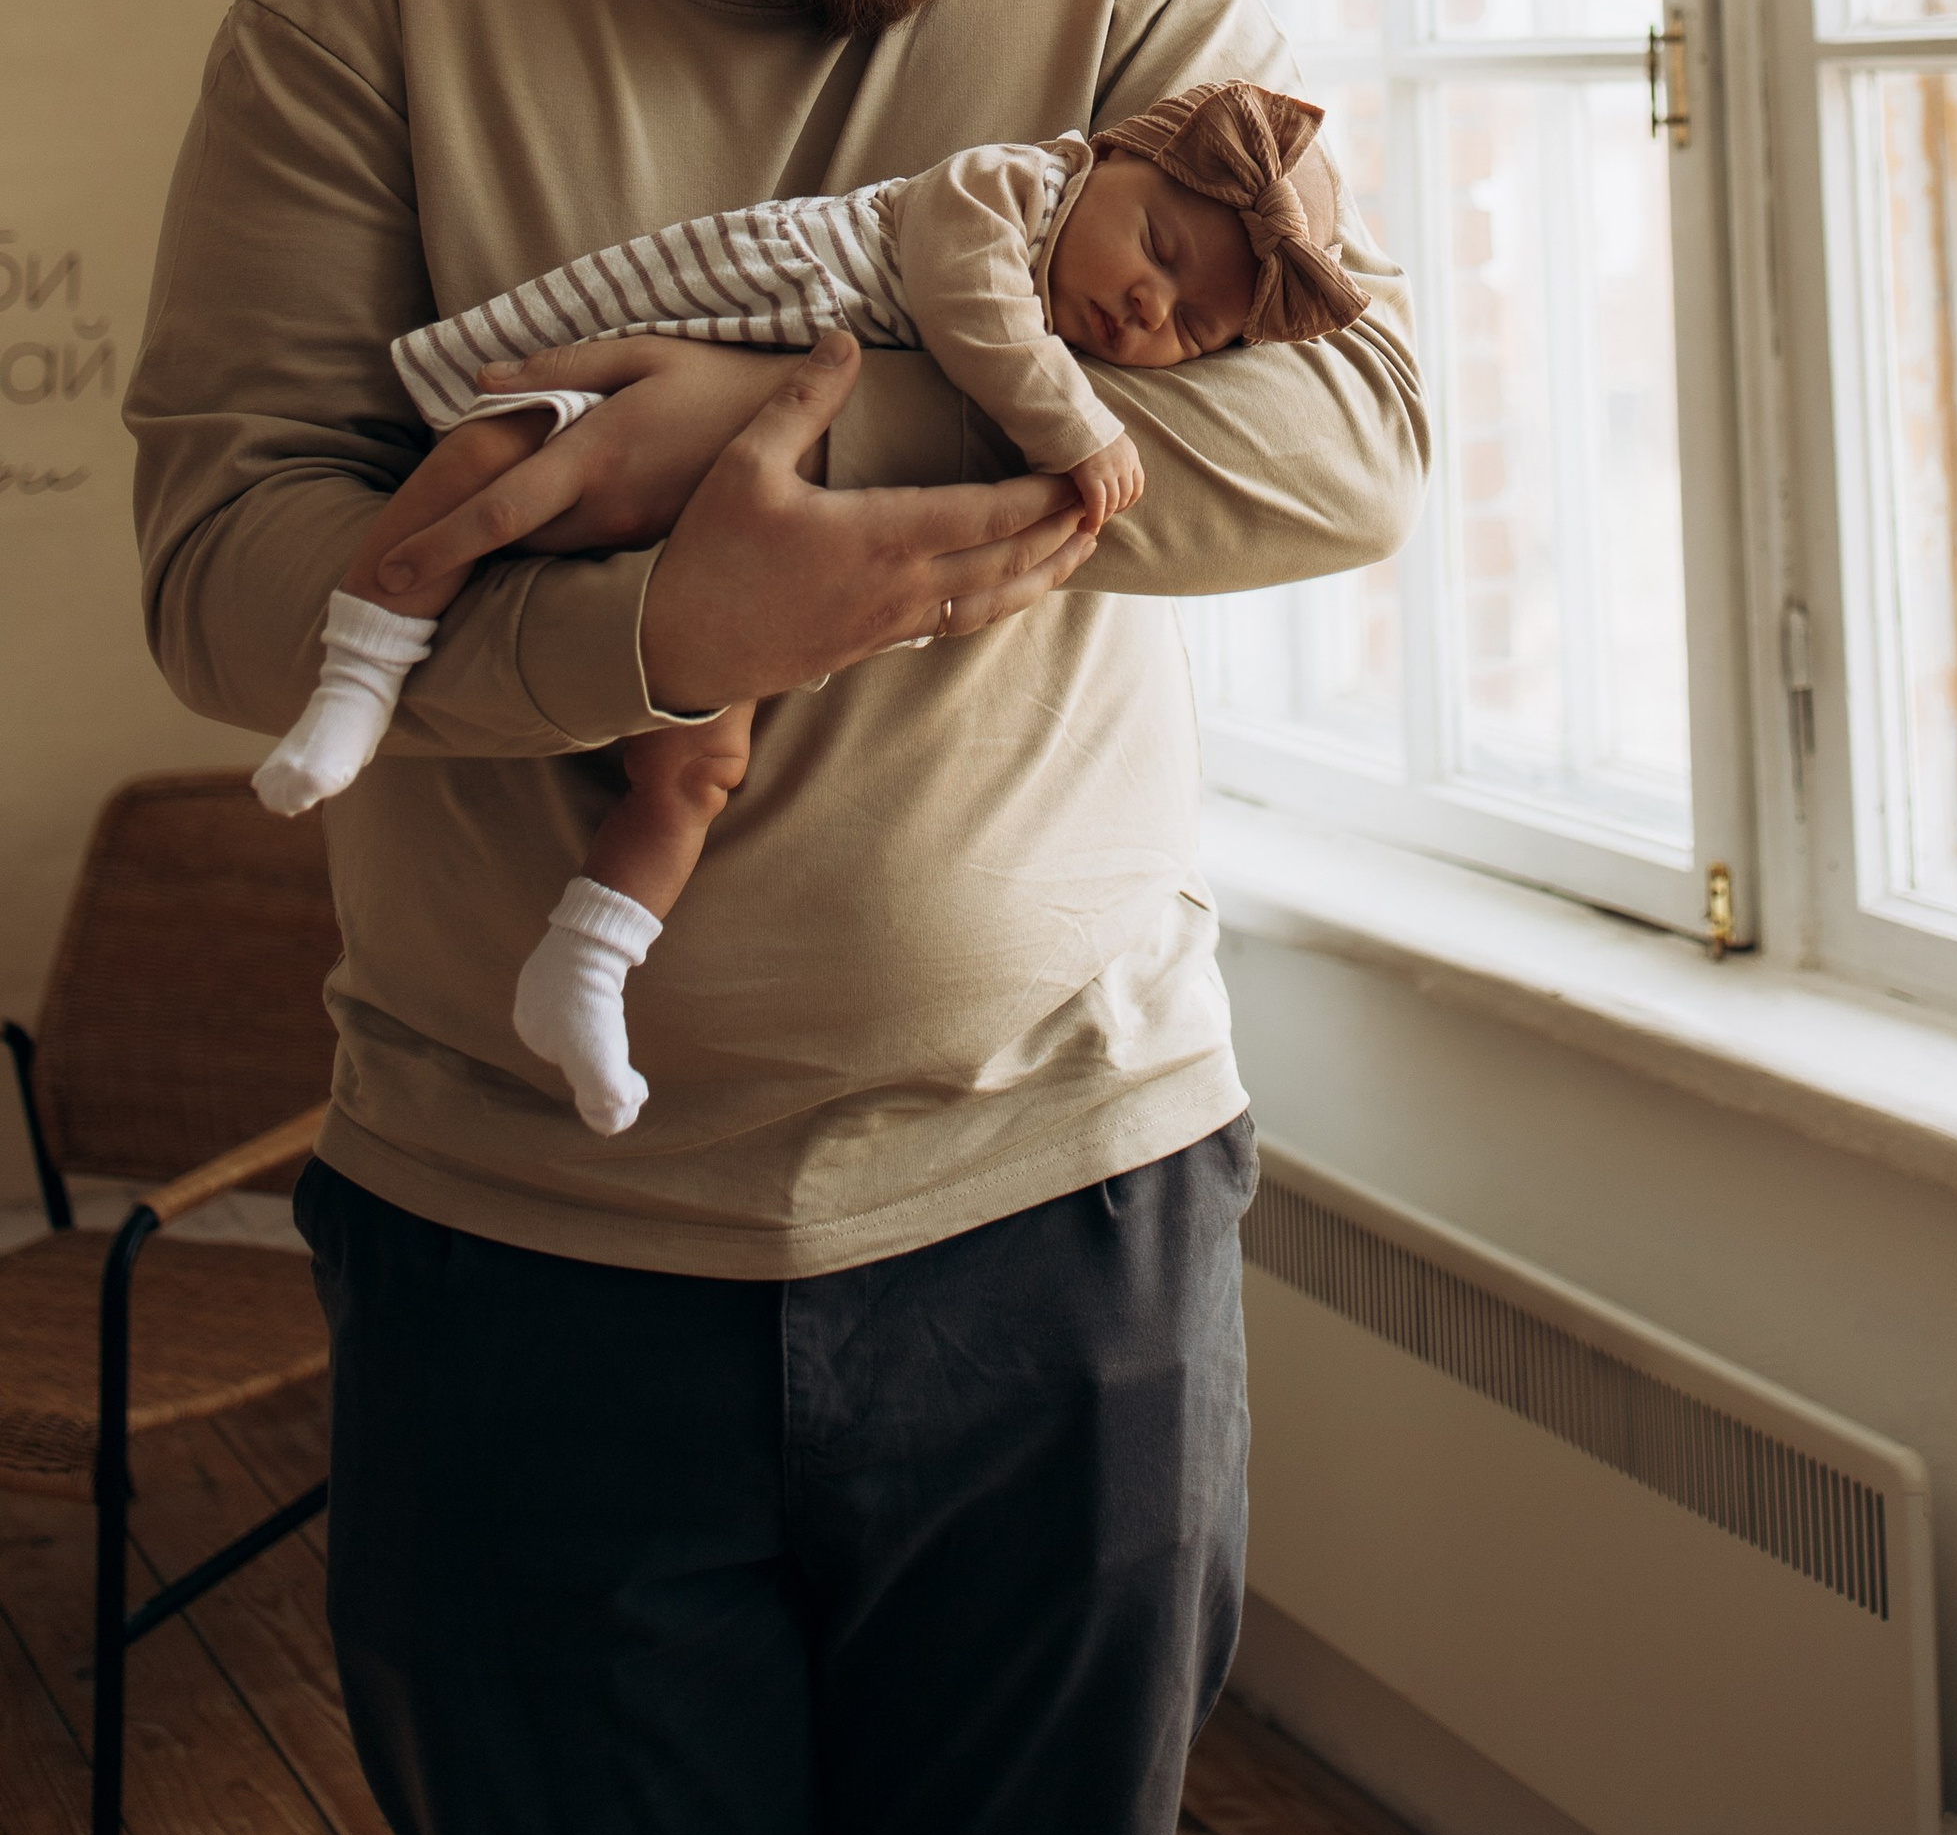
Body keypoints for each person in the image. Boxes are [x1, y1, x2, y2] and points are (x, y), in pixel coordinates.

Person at [128, 0, 1429, 1835]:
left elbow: (1351, 443)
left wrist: (755, 431)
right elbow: (223, 577)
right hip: (527, 1242)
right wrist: (656, 633)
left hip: (1067, 1204)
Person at [251, 81, 1367, 1138]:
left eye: (1196, 330)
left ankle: (586, 964)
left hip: (727, 540)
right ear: (1110, 154)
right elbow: (966, 299)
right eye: (1160, 251)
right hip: (651, 370)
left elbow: (1351, 471)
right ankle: (358, 677)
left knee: (695, 774)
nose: (1147, 305)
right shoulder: (1006, 191)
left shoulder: (1092, 291)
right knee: (483, 468)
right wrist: (1075, 425)